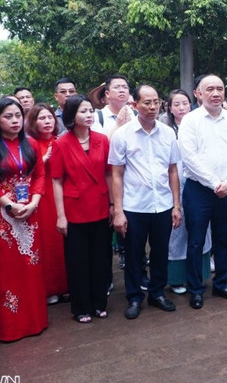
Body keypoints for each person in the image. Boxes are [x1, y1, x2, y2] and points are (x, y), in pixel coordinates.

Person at [0, 98, 47, 341]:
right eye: (8, 116)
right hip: (1, 216)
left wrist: (34, 202)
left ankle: (34, 321)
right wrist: (9, 204)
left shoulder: (33, 144)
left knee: (31, 267)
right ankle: (9, 326)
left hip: (30, 212)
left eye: (18, 115)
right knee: (5, 269)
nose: (15, 120)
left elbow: (40, 175)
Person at [110, 85, 181, 319]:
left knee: (161, 252)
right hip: (134, 206)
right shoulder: (122, 135)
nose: (152, 107)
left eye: (156, 102)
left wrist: (176, 205)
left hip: (162, 204)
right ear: (134, 105)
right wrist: (118, 211)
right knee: (133, 254)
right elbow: (116, 174)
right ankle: (134, 297)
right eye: (146, 103)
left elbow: (173, 171)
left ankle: (157, 292)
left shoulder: (168, 133)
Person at [178, 74, 227, 309]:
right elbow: (190, 157)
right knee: (196, 240)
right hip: (199, 189)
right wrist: (214, 182)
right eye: (210, 89)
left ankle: (222, 283)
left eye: (220, 88)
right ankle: (196, 289)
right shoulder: (190, 120)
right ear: (198, 93)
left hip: (226, 190)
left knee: (223, 239)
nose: (216, 93)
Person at [50, 94, 112, 323]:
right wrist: (61, 216)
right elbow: (56, 180)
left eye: (90, 111)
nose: (88, 115)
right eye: (83, 111)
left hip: (100, 205)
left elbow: (108, 173)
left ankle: (99, 303)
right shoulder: (61, 143)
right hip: (74, 208)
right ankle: (81, 307)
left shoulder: (102, 140)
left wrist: (114, 204)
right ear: (71, 116)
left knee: (100, 258)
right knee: (78, 261)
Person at [161, 89, 210, 294]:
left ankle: (200, 273)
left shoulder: (200, 124)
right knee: (177, 232)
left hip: (199, 183)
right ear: (170, 108)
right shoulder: (165, 130)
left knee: (201, 232)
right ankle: (176, 278)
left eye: (185, 103)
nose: (182, 108)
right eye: (177, 104)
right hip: (173, 185)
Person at [25, 103, 68, 303]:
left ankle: (66, 285)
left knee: (64, 243)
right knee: (47, 242)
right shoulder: (28, 144)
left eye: (50, 117)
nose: (47, 121)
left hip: (62, 195)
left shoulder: (61, 140)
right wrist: (44, 158)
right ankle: (49, 288)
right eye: (41, 118)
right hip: (41, 197)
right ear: (33, 122)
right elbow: (24, 173)